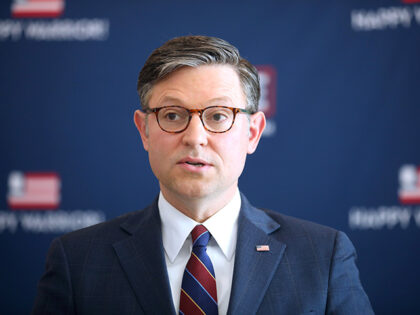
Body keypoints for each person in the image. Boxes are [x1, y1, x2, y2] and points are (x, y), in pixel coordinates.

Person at [32, 35, 374, 315]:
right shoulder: (77, 260)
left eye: (218, 116)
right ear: (144, 130)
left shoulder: (322, 256)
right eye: (172, 115)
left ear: (253, 132)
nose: (195, 137)